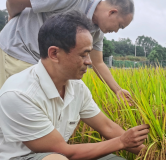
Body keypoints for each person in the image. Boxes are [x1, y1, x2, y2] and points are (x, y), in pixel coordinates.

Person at [0, 10, 149, 160]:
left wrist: (155, 154)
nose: (89, 61)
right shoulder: (20, 94)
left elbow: (107, 127)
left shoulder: (77, 87)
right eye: (83, 54)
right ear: (54, 54)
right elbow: (63, 151)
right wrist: (122, 142)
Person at [0, 0, 132, 101]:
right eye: (119, 26)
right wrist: (12, 18)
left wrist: (117, 90)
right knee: (16, 106)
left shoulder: (97, 33)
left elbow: (98, 63)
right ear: (112, 12)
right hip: (18, 51)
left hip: (45, 63)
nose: (116, 31)